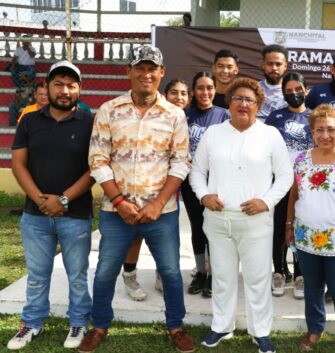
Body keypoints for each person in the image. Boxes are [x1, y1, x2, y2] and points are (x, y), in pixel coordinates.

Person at [80, 45, 193, 353]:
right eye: (139, 68)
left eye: (152, 68)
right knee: (105, 270)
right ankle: (99, 325)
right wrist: (119, 202)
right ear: (128, 72)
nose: (146, 74)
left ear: (162, 73)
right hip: (117, 211)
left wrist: (157, 204)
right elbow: (98, 160)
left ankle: (176, 326)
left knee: (170, 271)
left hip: (163, 212)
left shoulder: (174, 114)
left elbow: (181, 162)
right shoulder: (109, 110)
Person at [190, 77, 292, 353]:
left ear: (258, 105)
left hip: (255, 220)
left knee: (258, 278)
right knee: (222, 276)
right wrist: (203, 195)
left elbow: (285, 176)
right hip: (218, 220)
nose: (243, 104)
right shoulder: (213, 133)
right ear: (229, 102)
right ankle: (222, 326)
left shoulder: (270, 135)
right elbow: (197, 171)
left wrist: (266, 201)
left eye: (250, 100)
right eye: (238, 98)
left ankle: (261, 332)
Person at [9, 61, 94, 350]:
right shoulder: (30, 120)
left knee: (78, 275)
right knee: (37, 274)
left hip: (76, 214)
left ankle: (79, 321)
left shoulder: (90, 123)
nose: (65, 90)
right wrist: (40, 200)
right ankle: (31, 323)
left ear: (79, 89)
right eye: (58, 84)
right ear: (47, 87)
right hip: (35, 215)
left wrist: (64, 199)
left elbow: (95, 168)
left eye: (71, 85)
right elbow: (18, 164)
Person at [285, 104, 335, 353]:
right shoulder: (301, 160)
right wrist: (289, 225)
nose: (325, 135)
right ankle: (315, 329)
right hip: (306, 238)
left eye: (331, 130)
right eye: (319, 130)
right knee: (312, 289)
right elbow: (294, 195)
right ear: (311, 132)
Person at [119, 78, 191, 301]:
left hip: (174, 185)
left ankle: (163, 273)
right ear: (164, 94)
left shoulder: (183, 118)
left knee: (168, 235)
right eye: (174, 93)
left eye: (183, 93)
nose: (179, 97)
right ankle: (129, 275)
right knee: (136, 234)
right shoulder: (145, 115)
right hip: (140, 188)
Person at [265, 71, 313, 299]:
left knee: (299, 227)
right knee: (279, 226)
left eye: (298, 90)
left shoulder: (314, 117)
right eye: (289, 91)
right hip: (279, 182)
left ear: (307, 90)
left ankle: (301, 274)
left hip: (306, 184)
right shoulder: (275, 117)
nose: (294, 94)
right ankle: (278, 271)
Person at [183, 71, 230, 298]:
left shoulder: (224, 115)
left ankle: (214, 274)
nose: (205, 92)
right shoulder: (184, 115)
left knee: (214, 228)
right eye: (200, 88)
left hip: (216, 182)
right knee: (197, 226)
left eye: (209, 87)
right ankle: (201, 272)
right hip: (190, 180)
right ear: (193, 92)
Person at [257, 44, 288, 122]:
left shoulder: (293, 90)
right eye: (270, 64)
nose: (274, 68)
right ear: (263, 65)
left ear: (285, 66)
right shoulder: (253, 89)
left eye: (278, 64)